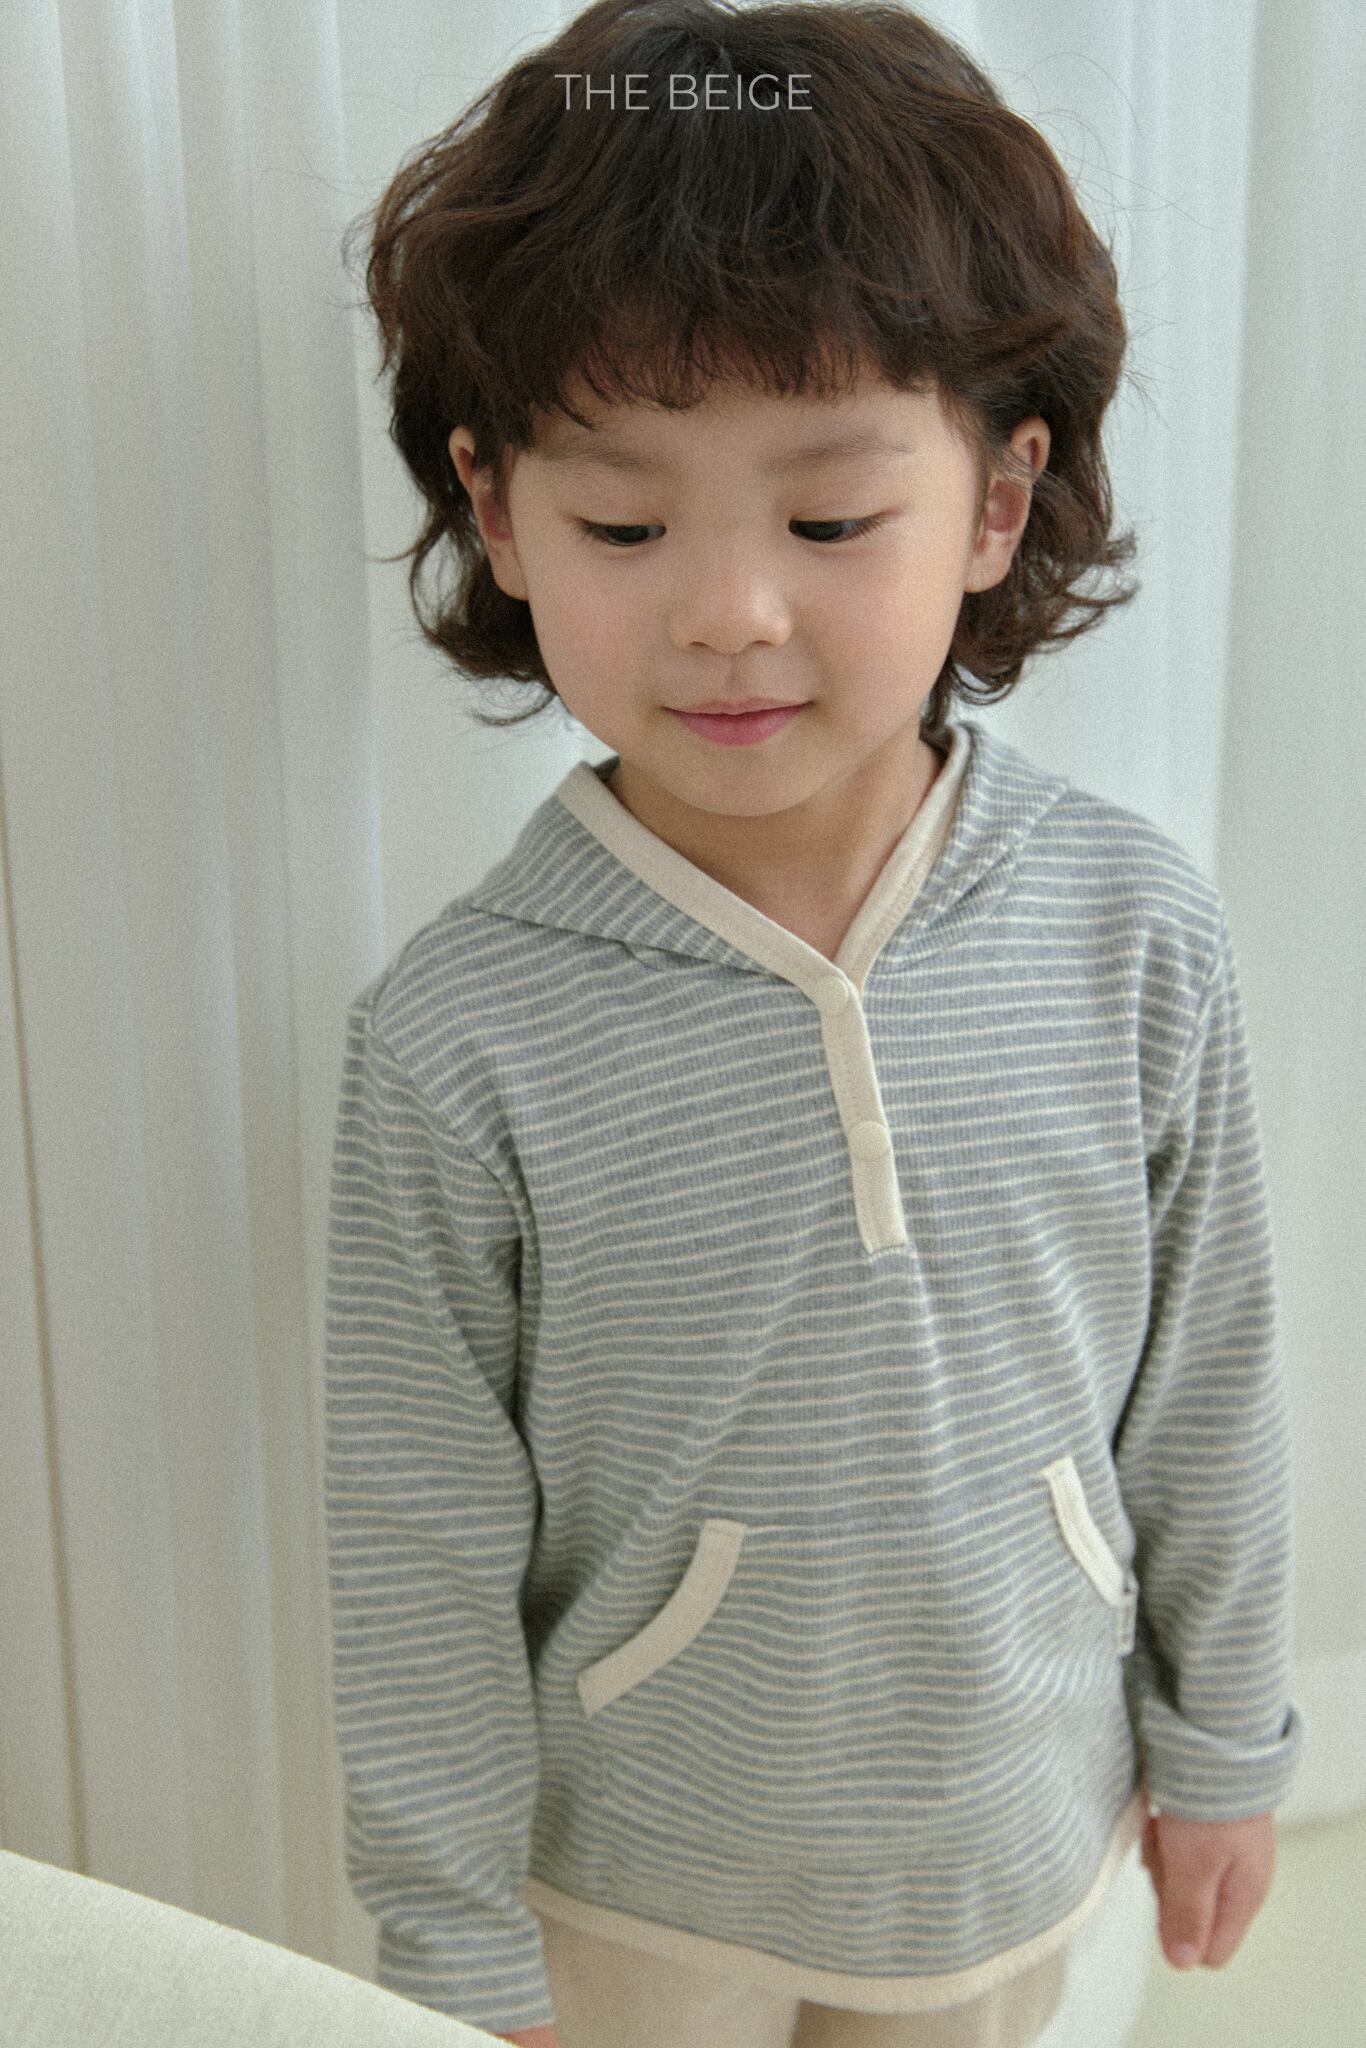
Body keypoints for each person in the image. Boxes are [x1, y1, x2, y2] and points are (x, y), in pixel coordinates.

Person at [323, 3, 1305, 2044]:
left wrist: (1220, 1737)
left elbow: (1205, 1381)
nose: (727, 612)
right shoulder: (457, 1036)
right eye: (622, 526)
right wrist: (447, 1937)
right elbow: (414, 1540)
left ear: (998, 499)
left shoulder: (1131, 929)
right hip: (628, 1890)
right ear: (495, 513)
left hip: (1008, 1837)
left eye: (829, 521)